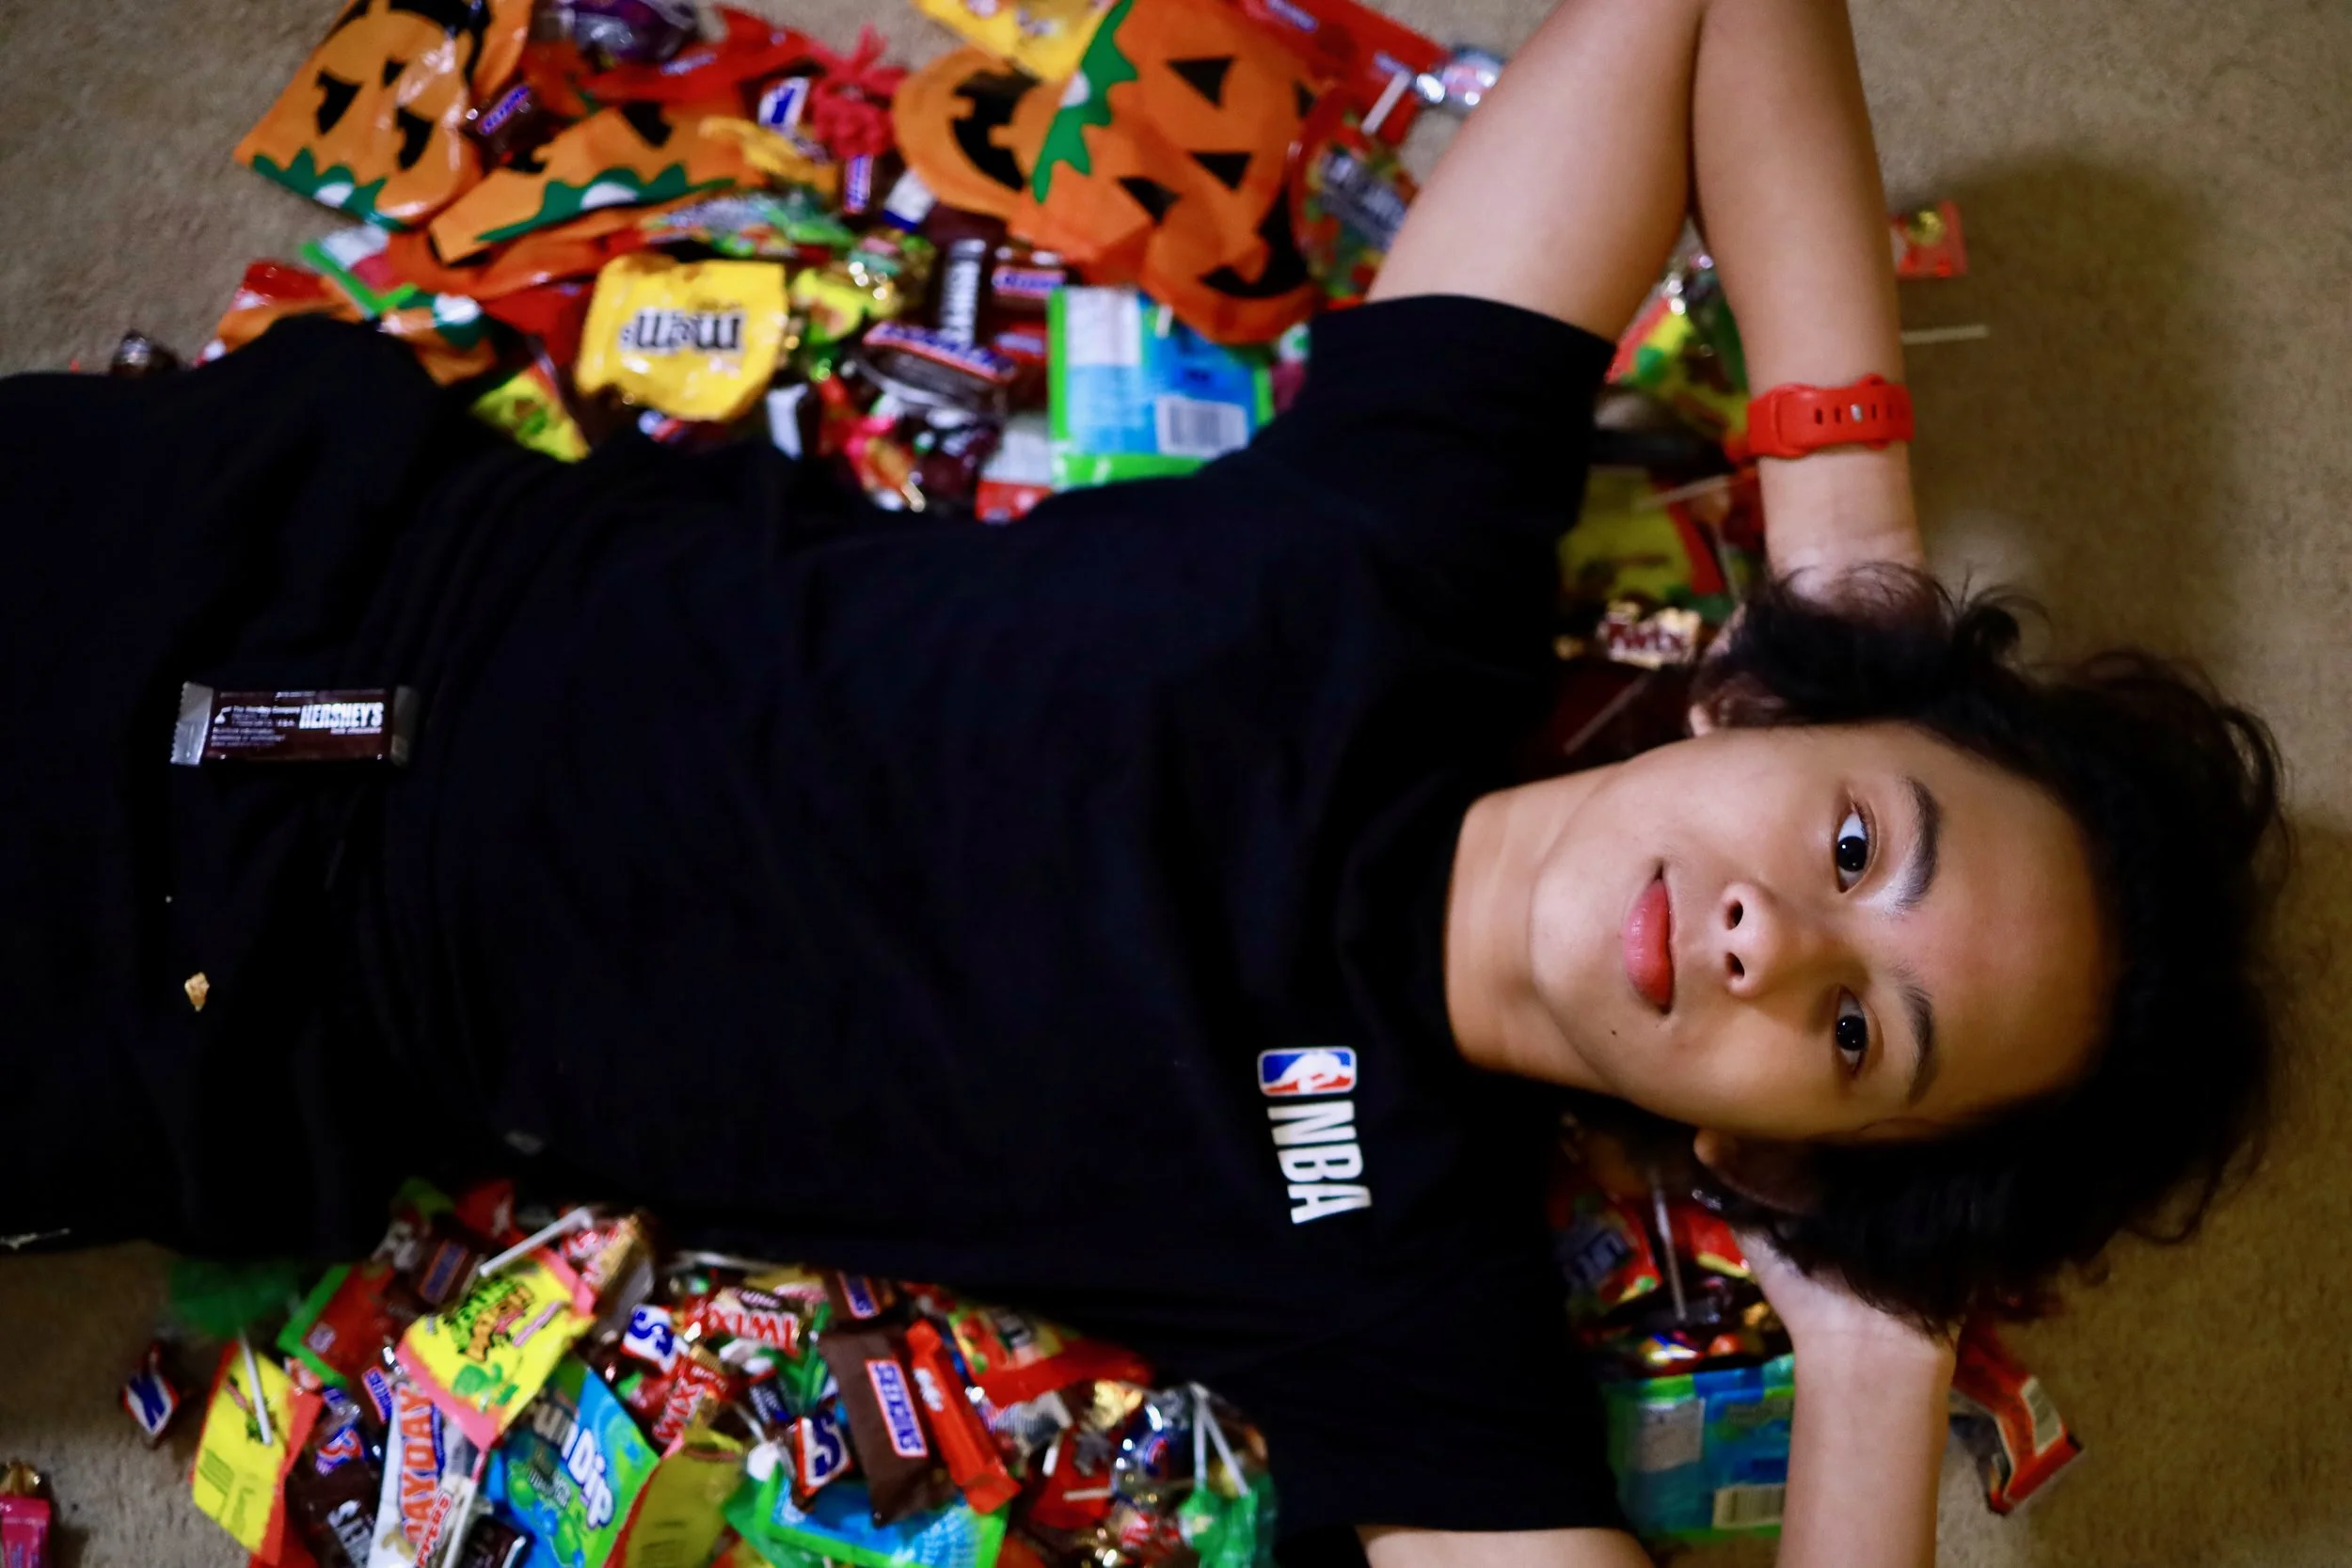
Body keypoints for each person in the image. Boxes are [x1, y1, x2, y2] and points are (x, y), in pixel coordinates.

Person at [0, 0, 2280, 1561]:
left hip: (188, 984)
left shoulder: (1396, 1283)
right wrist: (1852, 578)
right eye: (1860, 844)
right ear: (1752, 715)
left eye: (1861, 1035)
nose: (1782, 937)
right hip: (290, 547)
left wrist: (1873, 1360)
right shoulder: (1403, 550)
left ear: (1770, 1151)